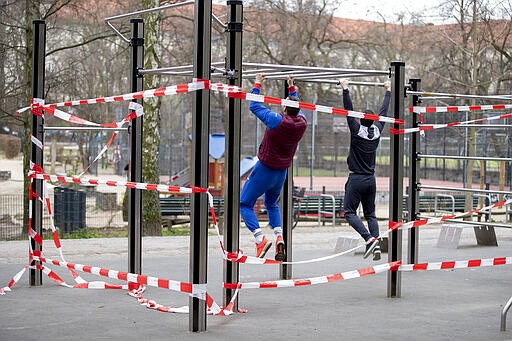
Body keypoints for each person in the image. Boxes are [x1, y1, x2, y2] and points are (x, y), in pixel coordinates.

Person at [240, 73, 308, 260]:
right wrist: (291, 87)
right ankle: (279, 237)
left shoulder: (276, 120)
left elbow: (253, 105)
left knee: (244, 203)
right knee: (271, 204)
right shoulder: (302, 123)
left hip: (265, 169)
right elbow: (298, 107)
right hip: (281, 172)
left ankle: (260, 239)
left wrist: (258, 83)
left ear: (284, 108)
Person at [339, 78, 391, 261]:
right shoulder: (377, 130)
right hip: (371, 179)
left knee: (349, 212)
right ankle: (375, 243)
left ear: (361, 120)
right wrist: (388, 90)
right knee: (371, 214)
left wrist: (345, 89)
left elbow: (348, 110)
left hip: (356, 179)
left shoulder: (356, 130)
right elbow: (383, 112)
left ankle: (369, 239)